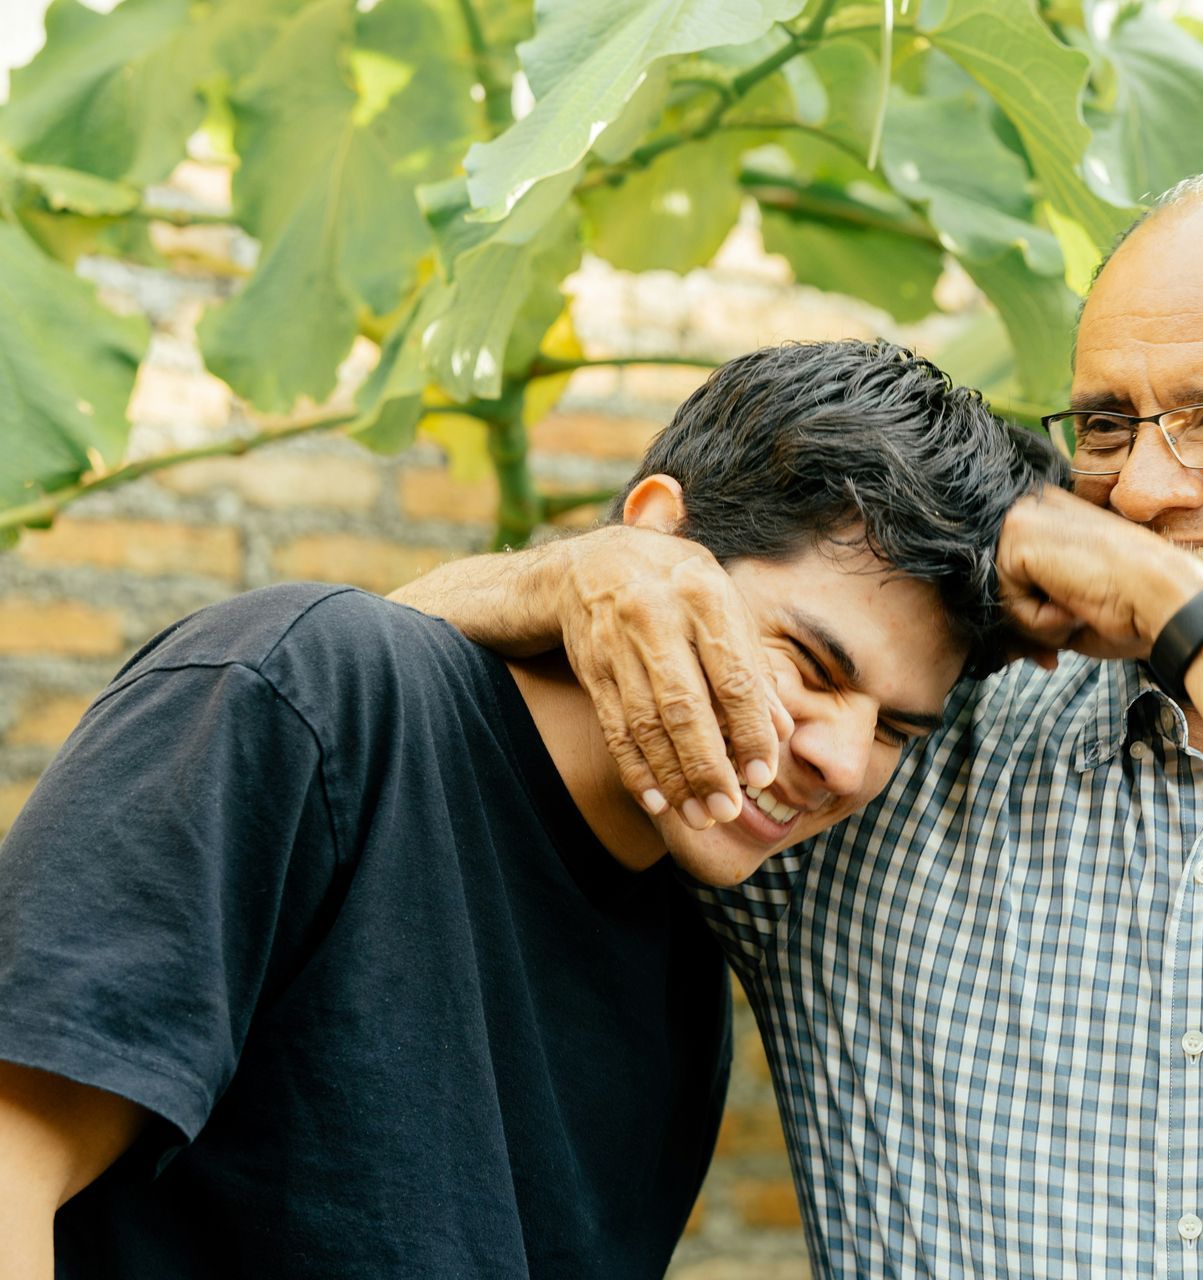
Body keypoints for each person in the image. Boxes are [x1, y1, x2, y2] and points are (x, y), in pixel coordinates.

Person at [397, 165, 1203, 1276]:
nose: (1155, 485)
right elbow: (346, 687)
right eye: (1110, 423)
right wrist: (571, 576)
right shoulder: (901, 744)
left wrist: (1190, 611)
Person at [0, 340, 1061, 1278]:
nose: (839, 756)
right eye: (812, 663)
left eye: (893, 731)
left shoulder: (685, 973)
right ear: (655, 536)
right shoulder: (316, 690)